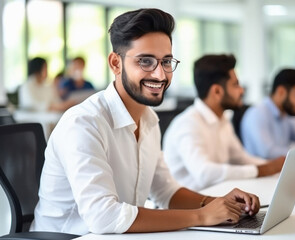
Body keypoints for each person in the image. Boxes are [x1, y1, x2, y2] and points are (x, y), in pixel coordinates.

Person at [30, 9, 260, 235]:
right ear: (116, 63)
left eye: (166, 61)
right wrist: (202, 216)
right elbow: (104, 217)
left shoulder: (148, 119)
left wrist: (216, 203)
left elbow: (165, 191)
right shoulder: (83, 123)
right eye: (146, 61)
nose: (160, 75)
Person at [162, 54, 285, 191]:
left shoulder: (223, 120)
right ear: (217, 91)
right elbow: (204, 173)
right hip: (188, 207)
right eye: (235, 84)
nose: (242, 90)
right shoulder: (188, 124)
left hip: (216, 197)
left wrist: (279, 167)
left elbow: (242, 159)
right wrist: (263, 169)